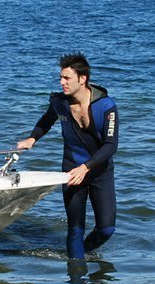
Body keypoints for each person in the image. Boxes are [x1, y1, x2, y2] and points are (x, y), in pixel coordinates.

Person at [15, 54, 118, 260]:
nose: (62, 82)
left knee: (106, 229)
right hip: (71, 169)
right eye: (60, 78)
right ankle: (75, 283)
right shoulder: (59, 103)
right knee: (75, 228)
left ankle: (82, 252)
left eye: (67, 78)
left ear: (82, 79)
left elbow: (110, 146)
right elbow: (46, 120)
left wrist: (86, 168)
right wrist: (32, 138)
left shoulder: (106, 106)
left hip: (100, 171)